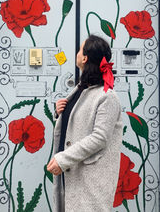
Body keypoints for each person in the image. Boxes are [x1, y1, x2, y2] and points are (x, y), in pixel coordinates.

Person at [47, 35, 123, 212]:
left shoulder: (107, 96)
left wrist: (63, 158)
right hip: (73, 174)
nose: (77, 53)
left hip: (90, 180)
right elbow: (78, 124)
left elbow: (100, 138)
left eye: (80, 49)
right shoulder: (82, 89)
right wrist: (60, 113)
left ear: (85, 58)